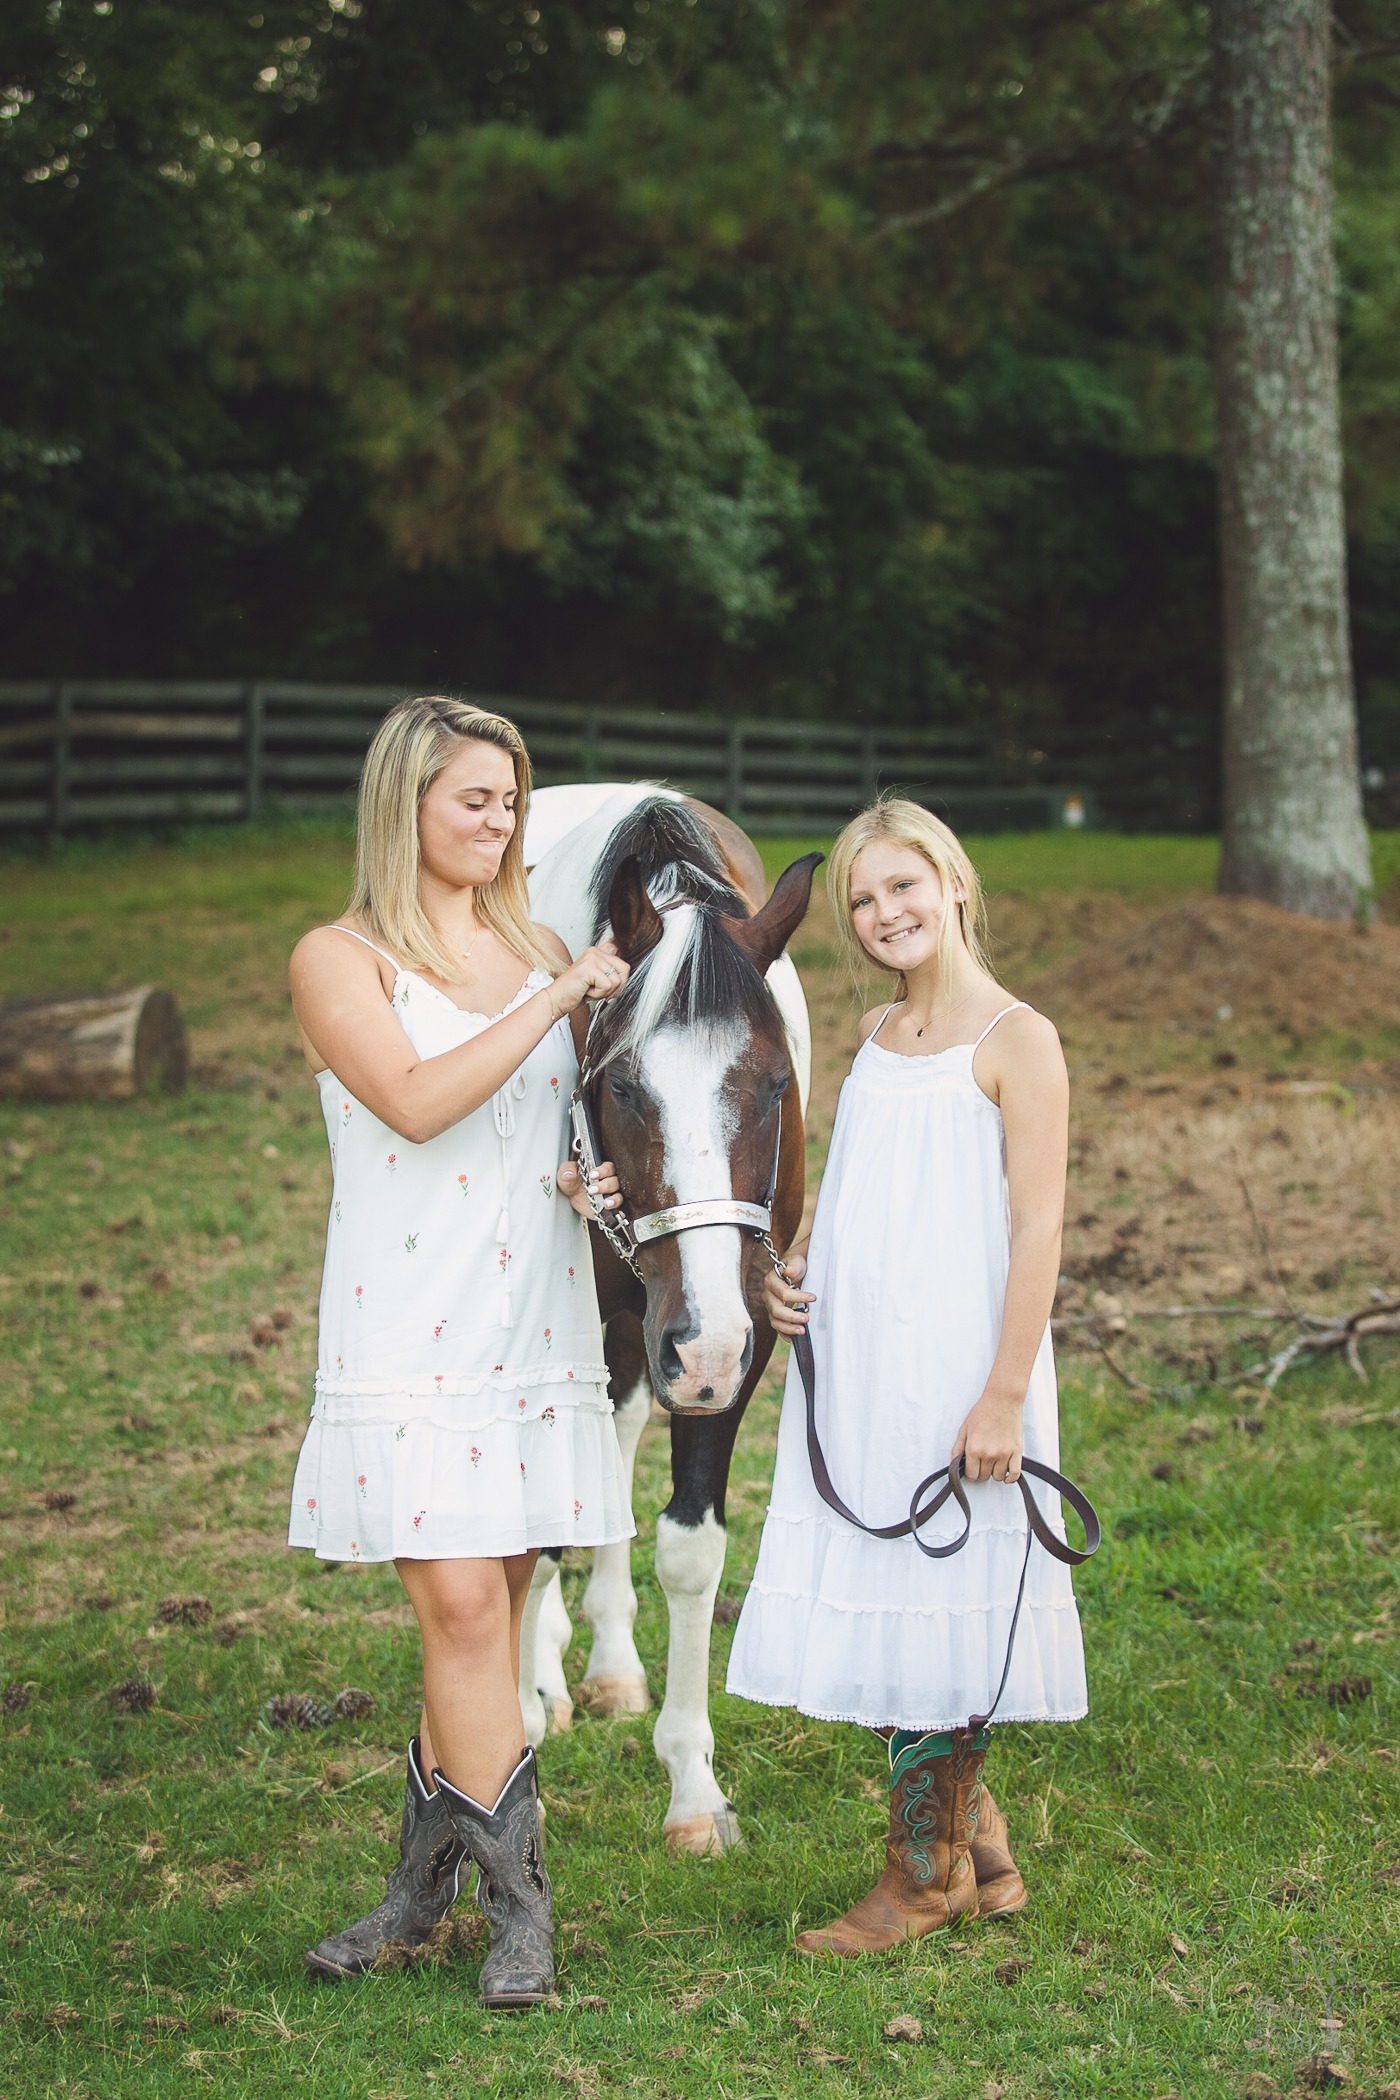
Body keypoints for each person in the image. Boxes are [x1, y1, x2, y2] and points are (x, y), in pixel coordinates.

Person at [286, 695, 634, 2007]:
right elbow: (419, 1103)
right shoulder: (341, 957)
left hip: (529, 1319)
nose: (495, 822)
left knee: (488, 1611)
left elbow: (529, 1126)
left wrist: (577, 1183)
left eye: (508, 800)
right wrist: (556, 996)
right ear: (406, 806)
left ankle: (413, 1898)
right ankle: (523, 1921)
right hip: (407, 1321)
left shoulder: (529, 938)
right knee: (468, 1608)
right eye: (470, 799)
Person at [726, 797, 1087, 1956]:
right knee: (893, 1601)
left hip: (960, 1367)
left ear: (954, 882)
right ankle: (980, 1854)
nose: (885, 912)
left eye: (902, 886)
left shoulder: (1014, 1040)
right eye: (862, 900)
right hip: (865, 1365)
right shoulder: (878, 1037)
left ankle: (920, 1881)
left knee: (938, 1603)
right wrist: (793, 1265)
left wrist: (999, 1397)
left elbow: (1036, 1230)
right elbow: (853, 1186)